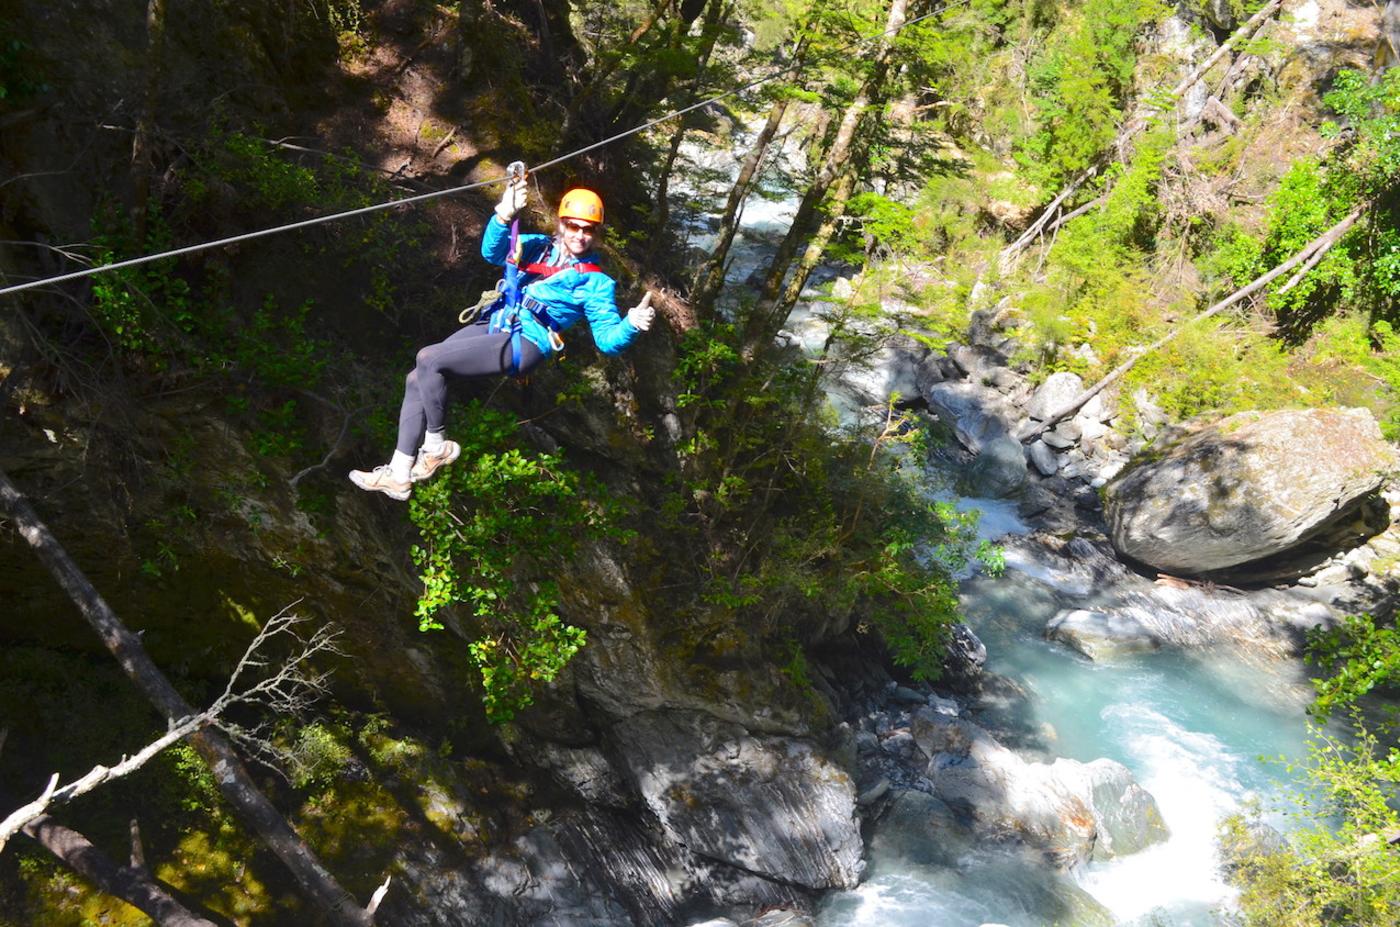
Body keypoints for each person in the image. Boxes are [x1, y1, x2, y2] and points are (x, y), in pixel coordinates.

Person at [348, 174, 655, 500]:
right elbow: (492, 254)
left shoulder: (597, 284)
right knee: (416, 378)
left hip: (529, 341)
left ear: (596, 233)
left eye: (588, 229)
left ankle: (435, 446)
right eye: (574, 226)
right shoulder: (538, 246)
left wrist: (631, 324)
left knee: (429, 358)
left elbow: (607, 341)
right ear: (562, 223)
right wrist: (503, 215)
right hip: (498, 321)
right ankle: (399, 473)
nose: (580, 235)